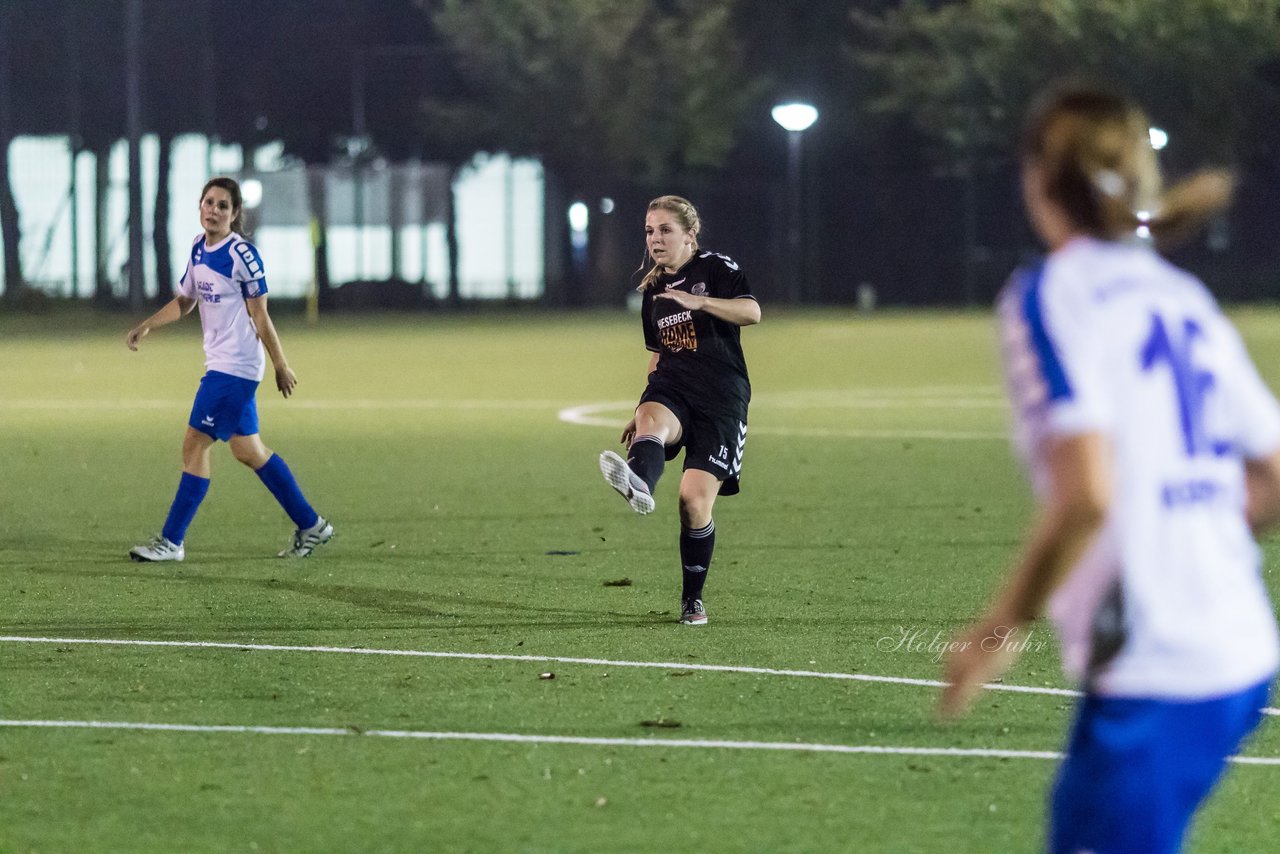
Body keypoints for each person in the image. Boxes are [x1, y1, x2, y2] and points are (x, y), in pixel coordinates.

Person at [939, 85, 1280, 853]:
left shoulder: (1048, 296)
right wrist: (1189, 520)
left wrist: (996, 633)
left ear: (1037, 178)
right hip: (1237, 646)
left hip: (1163, 664)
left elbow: (1086, 494)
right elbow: (1274, 475)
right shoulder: (1179, 293)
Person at [125, 177, 333, 562]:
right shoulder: (198, 249)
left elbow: (261, 315)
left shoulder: (242, 255)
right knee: (248, 450)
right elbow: (186, 301)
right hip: (221, 364)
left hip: (234, 369)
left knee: (194, 444)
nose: (214, 210)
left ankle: (171, 542)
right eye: (209, 202)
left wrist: (281, 364)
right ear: (199, 206)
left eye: (223, 205)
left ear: (235, 214)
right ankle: (313, 525)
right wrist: (148, 324)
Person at [598, 195, 760, 625]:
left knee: (692, 502)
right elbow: (657, 356)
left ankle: (692, 598)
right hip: (673, 386)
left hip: (722, 398)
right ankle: (640, 485)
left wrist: (701, 302)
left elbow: (752, 311)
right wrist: (640, 405)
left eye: (665, 230)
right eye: (650, 231)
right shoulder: (652, 291)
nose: (655, 238)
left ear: (689, 235)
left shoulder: (716, 268)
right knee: (651, 422)